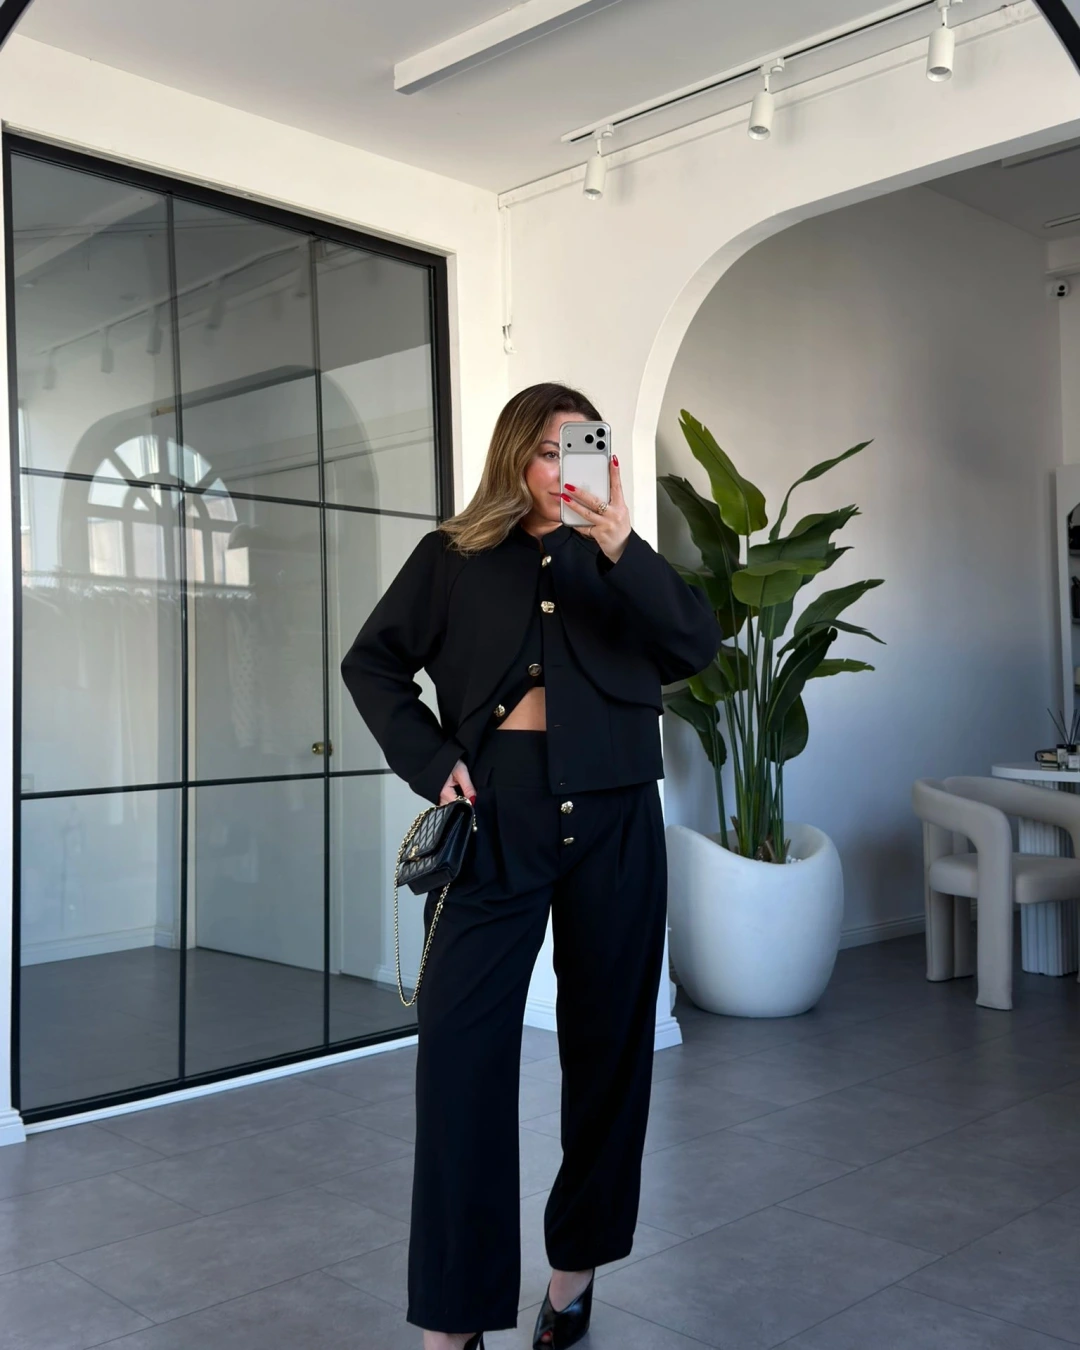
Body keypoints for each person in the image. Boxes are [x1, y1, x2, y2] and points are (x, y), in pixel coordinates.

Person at [340, 383, 722, 1350]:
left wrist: (623, 546)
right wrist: (434, 762)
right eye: (549, 452)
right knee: (459, 1058)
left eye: (580, 450)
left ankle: (573, 1277)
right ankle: (452, 1321)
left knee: (609, 1052)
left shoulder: (620, 558)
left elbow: (695, 644)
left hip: (616, 815)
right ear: (516, 457)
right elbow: (371, 663)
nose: (563, 471)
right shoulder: (453, 557)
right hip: (497, 815)